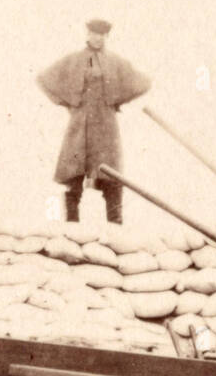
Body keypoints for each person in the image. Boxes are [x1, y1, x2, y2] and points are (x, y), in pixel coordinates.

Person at [37, 19, 151, 224]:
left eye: (102, 34)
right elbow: (44, 79)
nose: (97, 38)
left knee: (111, 175)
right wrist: (69, 101)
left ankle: (115, 227)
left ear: (107, 37)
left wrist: (117, 99)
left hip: (106, 126)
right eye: (93, 33)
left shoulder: (116, 62)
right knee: (73, 174)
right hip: (79, 125)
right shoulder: (73, 60)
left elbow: (142, 82)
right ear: (87, 34)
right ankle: (72, 226)